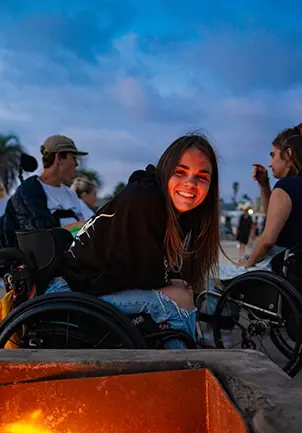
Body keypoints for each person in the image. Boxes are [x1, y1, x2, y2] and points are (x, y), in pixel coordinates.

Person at [46, 133, 220, 347]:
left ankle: (182, 358)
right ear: (165, 169)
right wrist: (169, 285)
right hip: (70, 292)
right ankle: (183, 367)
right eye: (180, 172)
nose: (190, 183)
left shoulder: (176, 211)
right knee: (180, 300)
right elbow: (148, 275)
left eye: (202, 177)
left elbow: (146, 272)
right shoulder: (146, 197)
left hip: (94, 285)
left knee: (183, 290)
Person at [205, 121, 302, 318]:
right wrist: (264, 185)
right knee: (240, 263)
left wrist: (247, 263)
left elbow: (268, 240)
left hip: (279, 265)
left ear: (288, 154)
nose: (270, 163)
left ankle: (221, 336)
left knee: (215, 279)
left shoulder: (286, 187)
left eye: (273, 155)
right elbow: (275, 213)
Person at [0, 135, 94, 253]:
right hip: (45, 265)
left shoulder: (71, 194)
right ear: (59, 158)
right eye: (73, 158)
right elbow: (39, 235)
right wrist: (78, 225)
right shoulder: (28, 191)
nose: (76, 164)